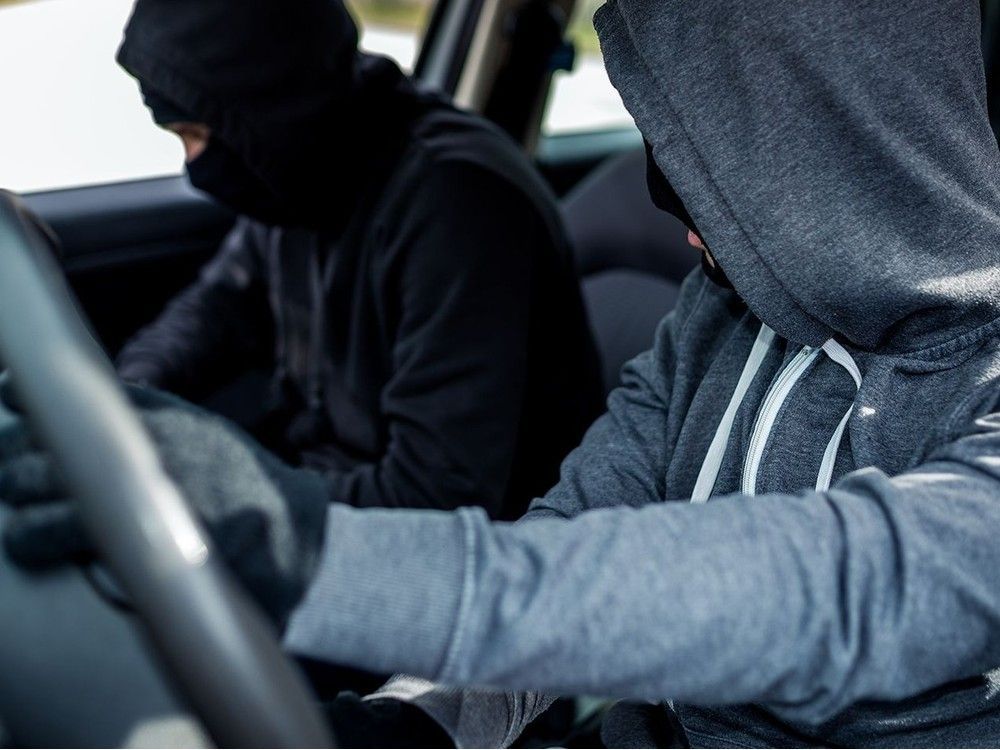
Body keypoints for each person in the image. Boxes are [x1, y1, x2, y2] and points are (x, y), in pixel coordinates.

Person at [4, 0, 1000, 746]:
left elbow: (850, 591)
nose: (677, 208)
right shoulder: (717, 319)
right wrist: (423, 723)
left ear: (841, 144)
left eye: (714, 166)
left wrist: (317, 552)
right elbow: (573, 538)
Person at [107, 0, 603, 522]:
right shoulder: (296, 170)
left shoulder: (459, 205)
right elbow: (221, 303)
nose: (193, 162)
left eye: (198, 134)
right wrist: (131, 399)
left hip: (458, 549)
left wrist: (231, 497)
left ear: (263, 107)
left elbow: (435, 494)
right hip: (328, 490)